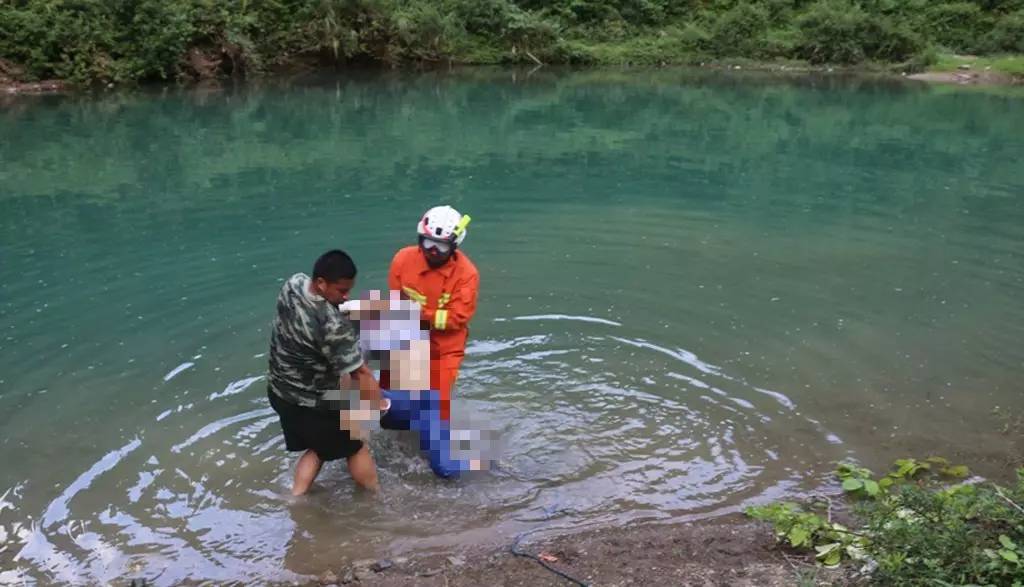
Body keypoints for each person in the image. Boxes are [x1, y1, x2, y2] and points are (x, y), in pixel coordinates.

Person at [266, 249, 387, 495]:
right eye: (341, 290)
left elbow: (312, 317)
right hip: (313, 404)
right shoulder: (334, 326)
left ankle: (296, 499)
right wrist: (380, 404)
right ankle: (378, 498)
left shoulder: (294, 284)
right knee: (355, 445)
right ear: (321, 283)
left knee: (320, 447)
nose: (345, 296)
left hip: (280, 392)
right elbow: (360, 374)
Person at [387, 205, 479, 421]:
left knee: (436, 406)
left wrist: (419, 313)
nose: (433, 251)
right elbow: (395, 301)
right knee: (399, 400)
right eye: (429, 243)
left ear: (455, 246)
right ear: (420, 238)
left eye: (441, 247)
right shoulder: (402, 260)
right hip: (409, 339)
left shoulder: (467, 274)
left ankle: (437, 447)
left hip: (445, 348)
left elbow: (458, 317)